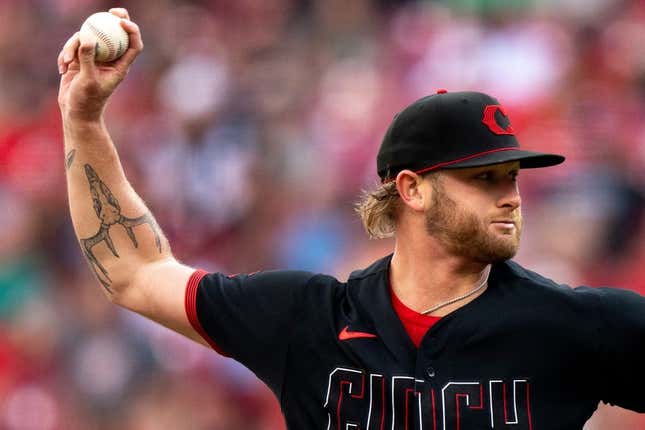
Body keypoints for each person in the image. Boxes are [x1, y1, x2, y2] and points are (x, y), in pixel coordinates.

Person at [58, 9, 645, 429]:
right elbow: (133, 272)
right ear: (412, 190)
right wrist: (83, 121)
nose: (511, 196)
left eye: (512, 176)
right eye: (484, 178)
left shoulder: (577, 324)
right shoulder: (307, 320)